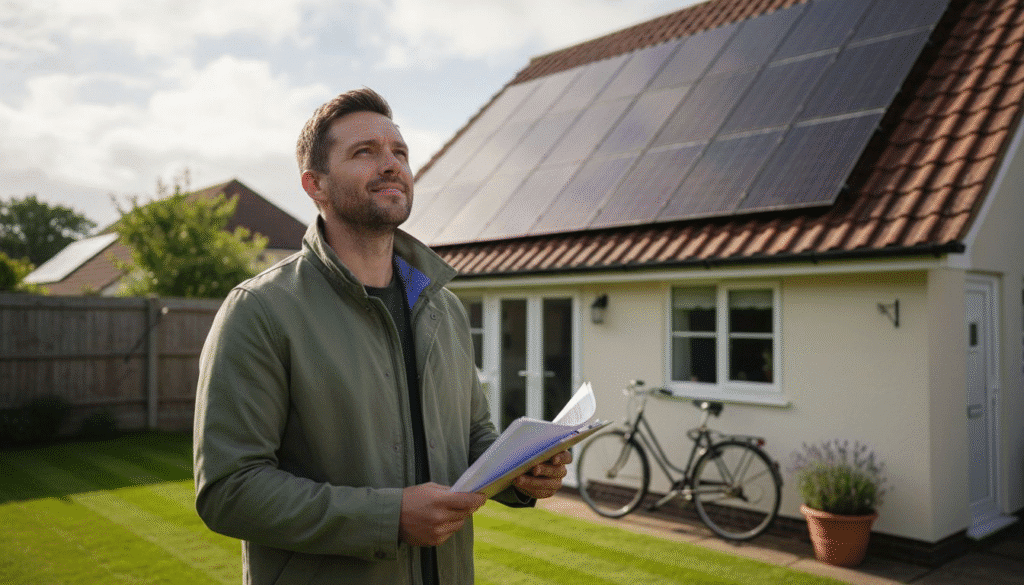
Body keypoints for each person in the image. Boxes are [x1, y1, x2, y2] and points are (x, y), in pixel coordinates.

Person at [193, 87, 571, 585]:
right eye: (365, 152)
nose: (392, 164)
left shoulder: (445, 308)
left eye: (400, 153)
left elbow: (473, 436)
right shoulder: (262, 310)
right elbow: (229, 491)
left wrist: (520, 473)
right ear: (315, 185)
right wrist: (388, 518)